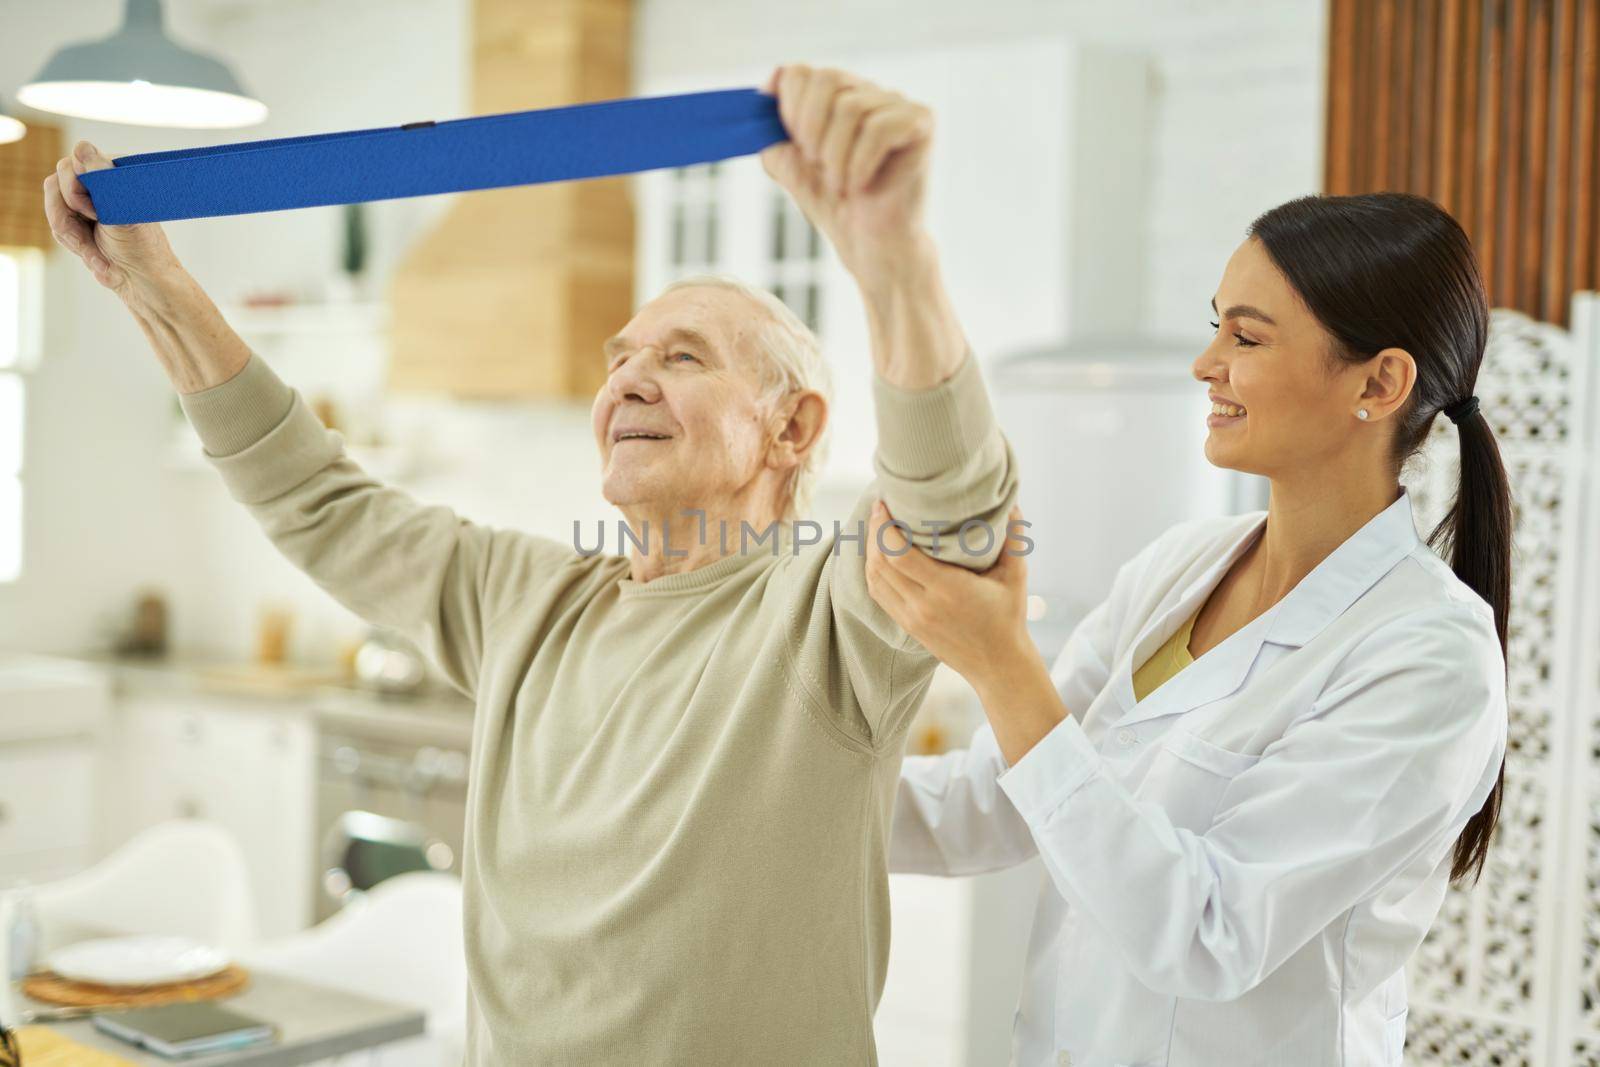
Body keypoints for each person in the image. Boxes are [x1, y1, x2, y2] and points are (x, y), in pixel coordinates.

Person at [44, 65, 1018, 1064]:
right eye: (618, 359)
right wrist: (155, 288)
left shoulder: (828, 614)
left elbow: (953, 516)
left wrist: (888, 255)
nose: (628, 376)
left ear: (792, 425)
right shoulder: (531, 599)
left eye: (682, 357)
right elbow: (317, 499)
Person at [865, 192, 1509, 1067]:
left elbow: (1208, 933)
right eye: (1218, 328)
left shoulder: (1431, 655)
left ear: (1377, 383)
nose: (1207, 364)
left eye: (1246, 337)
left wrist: (1001, 663)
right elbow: (998, 802)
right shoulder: (1180, 567)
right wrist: (769, 794)